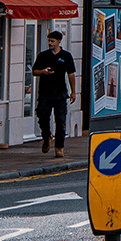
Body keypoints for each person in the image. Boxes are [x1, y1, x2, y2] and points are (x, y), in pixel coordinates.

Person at [30, 30, 77, 158]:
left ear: (59, 42)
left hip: (60, 93)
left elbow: (71, 74)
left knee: (61, 120)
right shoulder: (43, 55)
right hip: (45, 93)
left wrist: (73, 91)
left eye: (52, 41)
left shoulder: (66, 56)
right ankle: (47, 136)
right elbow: (34, 72)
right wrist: (43, 72)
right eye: (49, 41)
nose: (50, 43)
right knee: (42, 116)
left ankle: (59, 147)